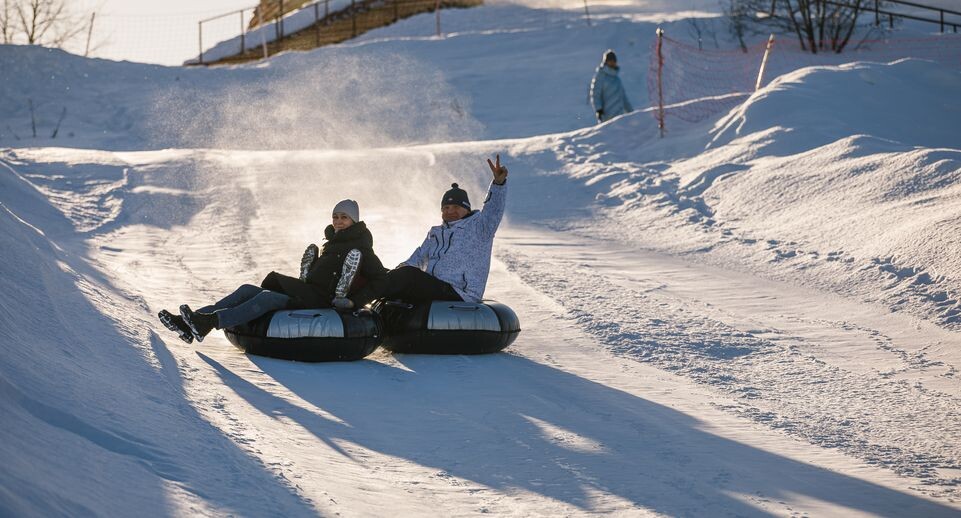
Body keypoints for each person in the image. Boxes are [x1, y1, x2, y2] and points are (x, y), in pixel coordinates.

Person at [158, 199, 387, 343]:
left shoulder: (361, 247)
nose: (338, 221)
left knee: (268, 297)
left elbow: (379, 277)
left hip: (323, 300)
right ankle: (188, 323)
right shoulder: (332, 243)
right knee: (247, 289)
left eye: (344, 217)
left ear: (354, 220)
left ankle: (207, 323)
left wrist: (353, 302)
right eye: (335, 217)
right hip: (308, 292)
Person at [360, 154, 508, 307]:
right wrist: (391, 272)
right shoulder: (436, 233)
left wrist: (498, 183)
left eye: (456, 207)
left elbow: (493, 209)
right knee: (386, 272)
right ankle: (351, 291)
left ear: (466, 208)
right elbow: (417, 258)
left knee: (407, 276)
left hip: (459, 292)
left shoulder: (480, 227)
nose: (450, 211)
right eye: (446, 208)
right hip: (434, 287)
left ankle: (357, 300)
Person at [590, 49, 633, 123]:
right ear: (606, 62)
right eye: (610, 61)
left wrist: (631, 113)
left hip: (620, 116)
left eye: (614, 61)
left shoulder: (617, 79)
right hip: (607, 117)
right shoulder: (600, 76)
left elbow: (623, 97)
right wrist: (599, 110)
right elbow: (595, 94)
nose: (612, 63)